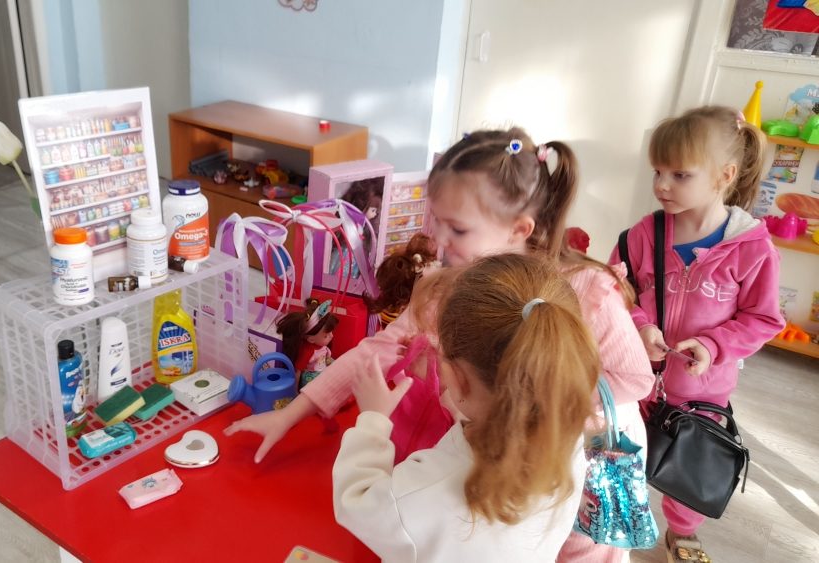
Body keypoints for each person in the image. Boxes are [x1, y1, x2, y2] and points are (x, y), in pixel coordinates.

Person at [225, 128, 654, 561]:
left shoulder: (588, 291)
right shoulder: (451, 284)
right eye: (437, 223)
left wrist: (539, 395)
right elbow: (378, 350)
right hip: (484, 468)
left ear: (518, 229)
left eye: (458, 229)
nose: (440, 243)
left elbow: (636, 379)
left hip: (569, 463)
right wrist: (292, 413)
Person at [333, 253, 598, 562]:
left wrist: (373, 420)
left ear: (458, 379)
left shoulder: (428, 492)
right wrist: (459, 385)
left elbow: (357, 501)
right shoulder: (566, 440)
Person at [611, 105, 784, 562]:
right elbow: (614, 293)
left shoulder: (752, 249)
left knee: (686, 468)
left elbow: (763, 319)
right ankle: (616, 524)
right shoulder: (642, 235)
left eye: (680, 175)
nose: (662, 185)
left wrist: (712, 345)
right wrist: (640, 325)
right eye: (658, 171)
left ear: (725, 175)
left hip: (702, 392)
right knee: (621, 454)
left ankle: (682, 534)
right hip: (635, 379)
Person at [275, 298, 338, 390]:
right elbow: (298, 371)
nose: (332, 336)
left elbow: (326, 358)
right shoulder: (308, 352)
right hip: (311, 378)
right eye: (326, 336)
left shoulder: (321, 345)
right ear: (311, 339)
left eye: (331, 332)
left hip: (322, 370)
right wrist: (295, 389)